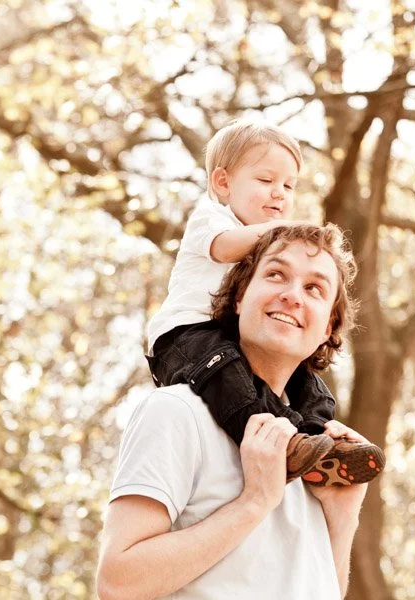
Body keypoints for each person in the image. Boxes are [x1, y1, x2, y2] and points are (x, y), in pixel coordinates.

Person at [96, 224, 375, 599]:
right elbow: (117, 583)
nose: (293, 296)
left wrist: (342, 520)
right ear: (241, 296)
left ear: (328, 327)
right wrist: (254, 502)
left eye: (314, 289)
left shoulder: (315, 450)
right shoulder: (176, 412)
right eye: (276, 274)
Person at [146, 120, 384, 484]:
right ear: (223, 183)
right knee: (227, 374)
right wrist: (283, 231)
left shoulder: (265, 242)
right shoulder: (211, 218)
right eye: (266, 181)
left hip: (225, 334)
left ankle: (320, 439)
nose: (279, 194)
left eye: (288, 186)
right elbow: (225, 247)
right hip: (185, 336)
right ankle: (281, 443)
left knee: (310, 382)